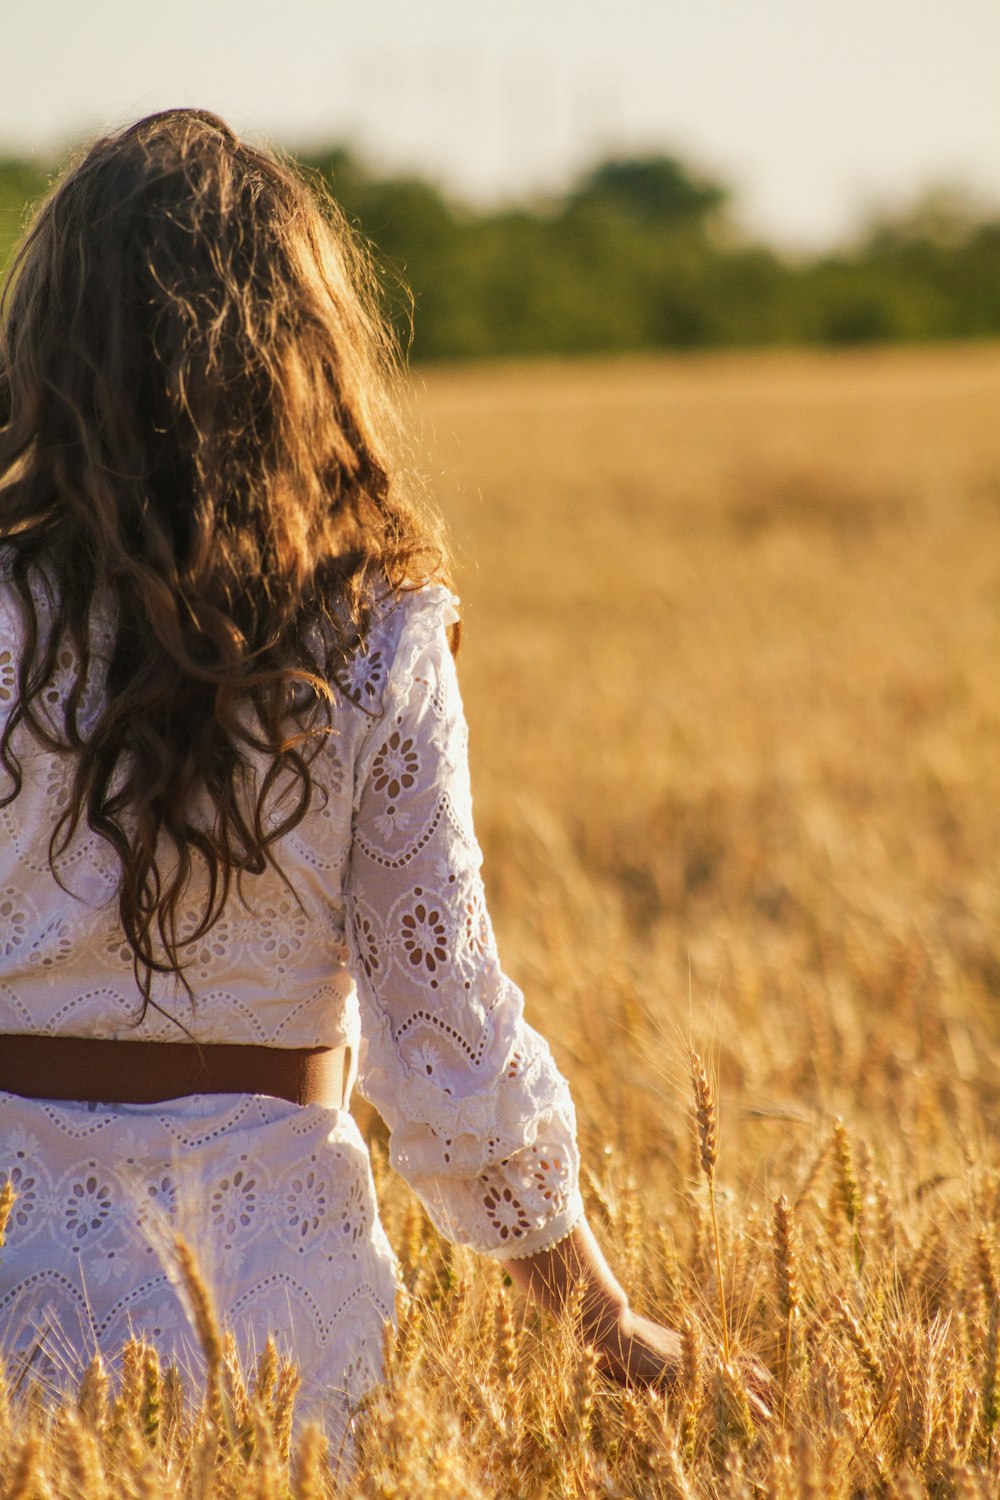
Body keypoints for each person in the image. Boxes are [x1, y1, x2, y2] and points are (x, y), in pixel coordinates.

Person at [0, 109, 693, 1451]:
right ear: (299, 351)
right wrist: (607, 1325)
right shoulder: (372, 630)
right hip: (281, 1324)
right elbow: (447, 1034)